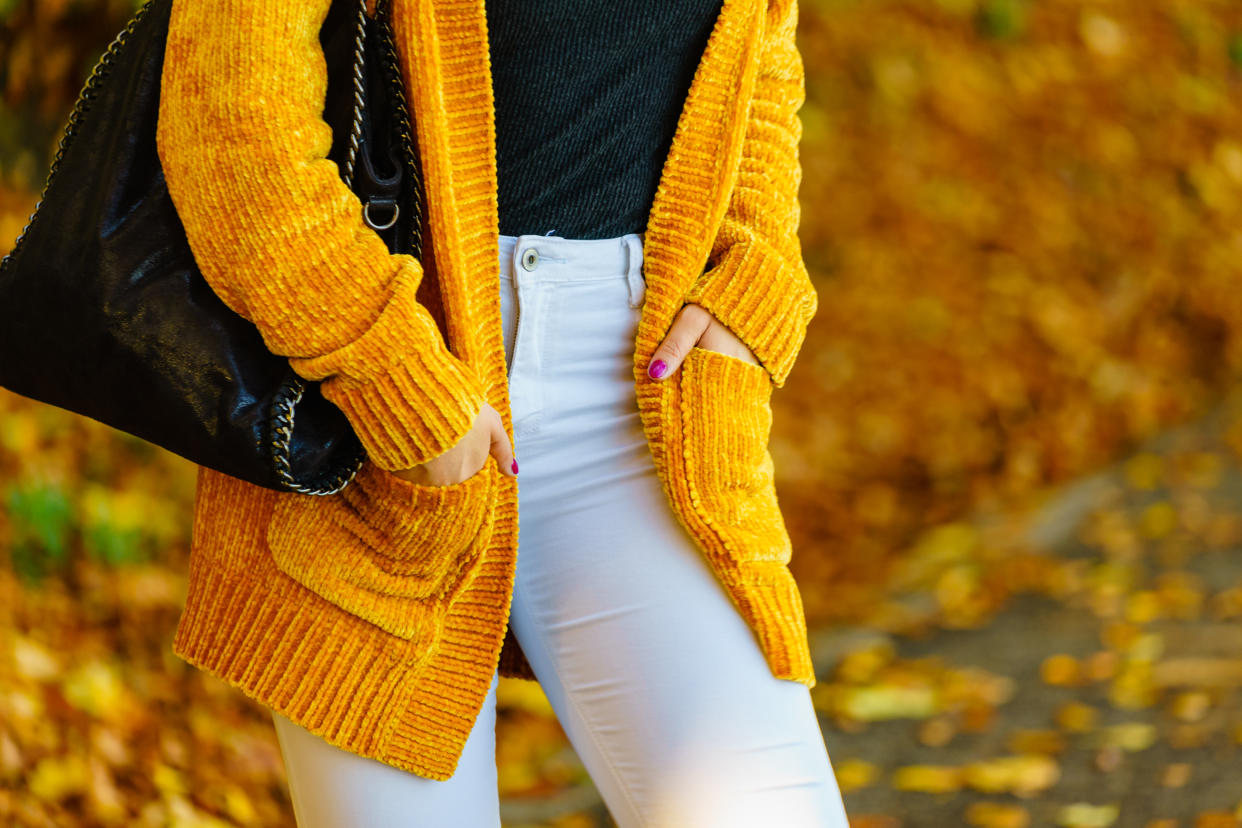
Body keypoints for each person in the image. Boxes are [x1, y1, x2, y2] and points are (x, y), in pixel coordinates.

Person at [156, 0, 849, 824]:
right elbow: (229, 122)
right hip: (376, 411)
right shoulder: (383, 380)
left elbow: (761, 44)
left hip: (651, 409)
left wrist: (753, 274)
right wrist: (386, 373)